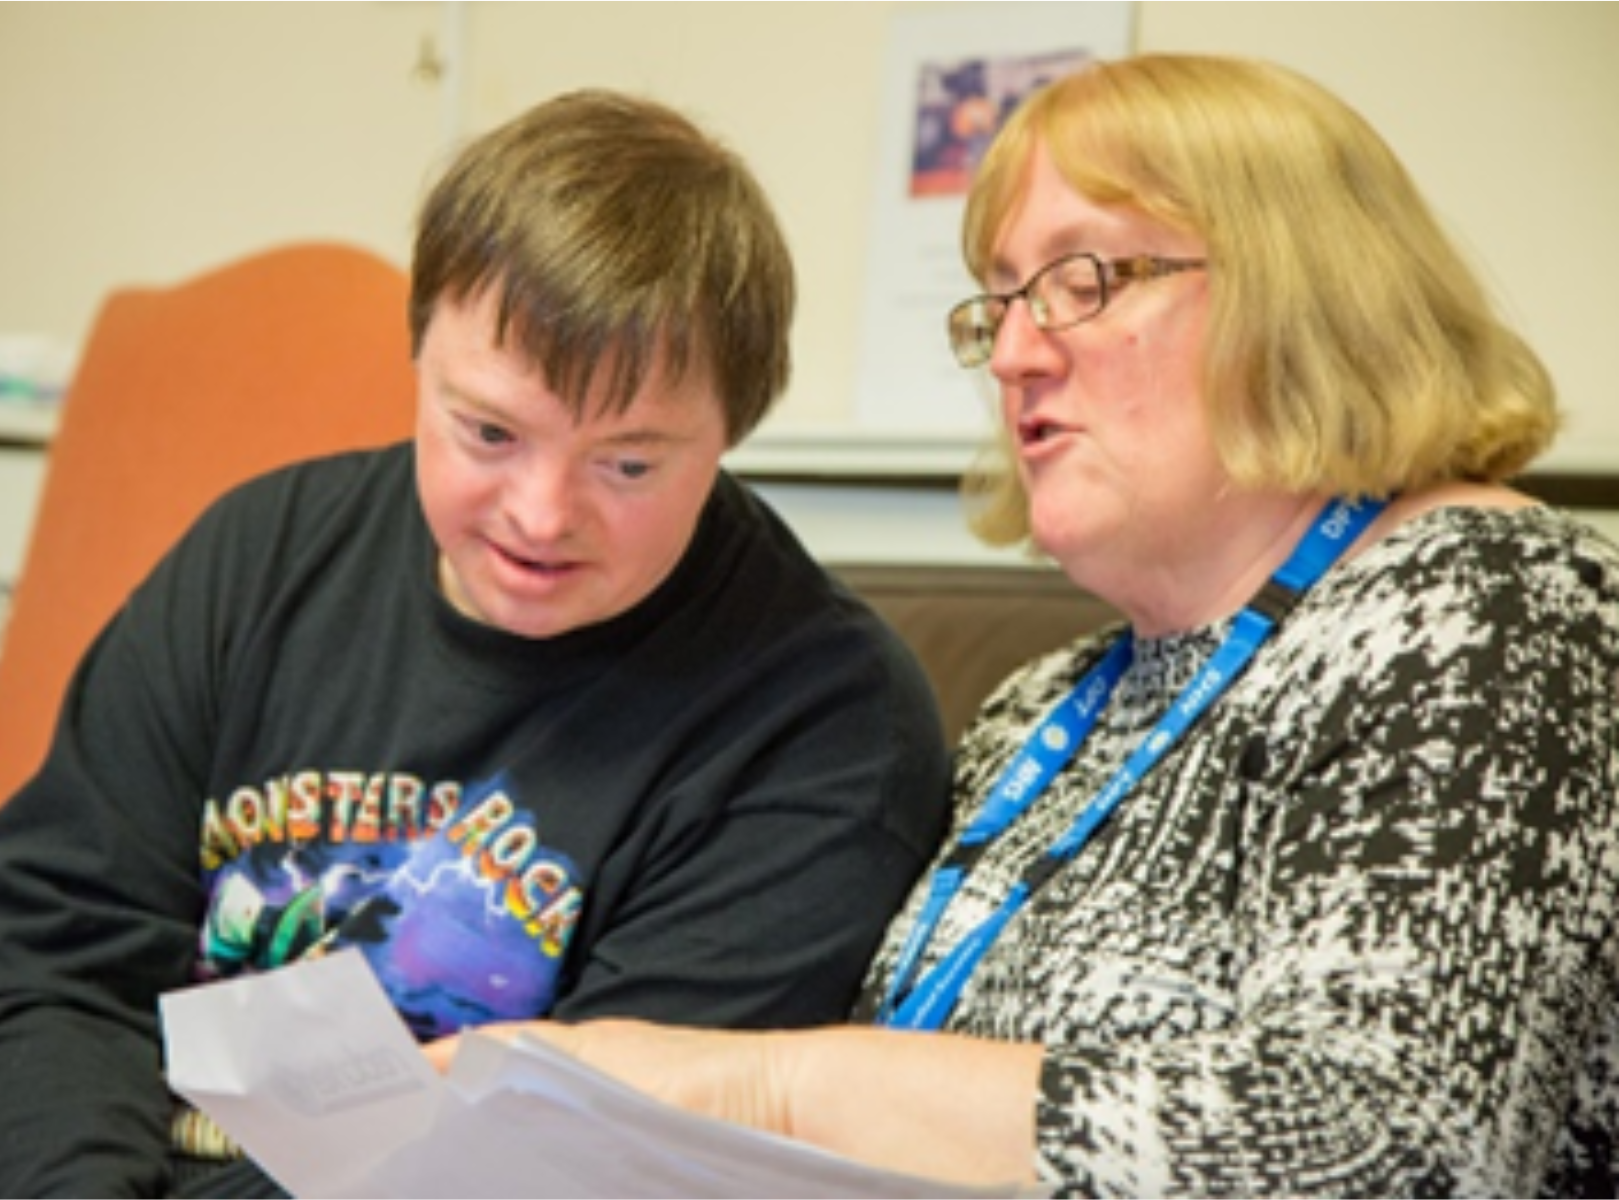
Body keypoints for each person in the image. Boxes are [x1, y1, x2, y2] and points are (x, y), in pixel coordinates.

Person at [426, 54, 1619, 1198]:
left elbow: (1385, 1152)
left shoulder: (1503, 606)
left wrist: (760, 1089)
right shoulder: (1039, 711)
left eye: (1080, 279)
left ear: (1304, 290)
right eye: (1000, 298)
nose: (1009, 352)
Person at [0, 89, 954, 1198]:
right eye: (491, 433)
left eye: (630, 464)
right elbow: (43, 967)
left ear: (732, 436)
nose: (542, 514)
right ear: (419, 357)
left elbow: (573, 1161)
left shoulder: (826, 728)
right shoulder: (257, 561)